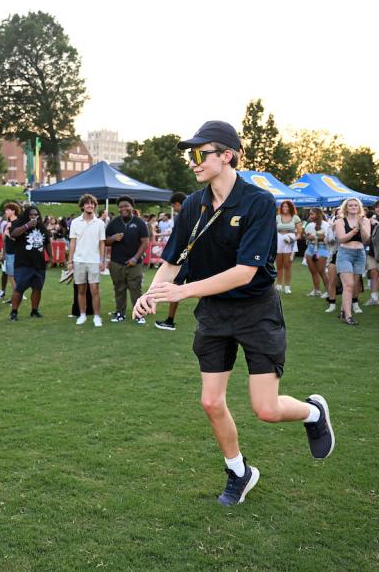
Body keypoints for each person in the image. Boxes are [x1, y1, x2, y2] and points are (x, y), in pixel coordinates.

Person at [133, 120, 334, 506]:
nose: (192, 162)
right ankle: (239, 471)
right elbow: (173, 260)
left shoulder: (258, 202)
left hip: (256, 310)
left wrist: (182, 291)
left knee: (267, 409)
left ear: (226, 156)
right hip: (214, 313)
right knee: (210, 401)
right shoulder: (193, 203)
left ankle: (313, 412)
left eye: (199, 154)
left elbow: (245, 272)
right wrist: (153, 292)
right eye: (190, 155)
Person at [105, 195, 149, 324]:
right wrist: (112, 238)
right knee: (119, 288)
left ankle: (139, 314)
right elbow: (105, 241)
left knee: (135, 288)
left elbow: (145, 242)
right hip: (116, 262)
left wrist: (135, 258)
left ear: (132, 207)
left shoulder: (139, 222)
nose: (123, 208)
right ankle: (120, 313)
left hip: (134, 263)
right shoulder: (114, 222)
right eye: (121, 206)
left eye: (126, 206)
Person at [67, 194, 107, 327]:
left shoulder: (100, 223)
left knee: (95, 290)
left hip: (94, 261)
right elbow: (72, 242)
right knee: (81, 290)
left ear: (95, 206)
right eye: (87, 203)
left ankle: (97, 316)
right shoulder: (75, 222)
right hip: (79, 260)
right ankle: (82, 315)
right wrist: (70, 261)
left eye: (92, 204)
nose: (90, 206)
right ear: (83, 206)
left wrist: (102, 260)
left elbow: (102, 243)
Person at [8, 206, 52, 320]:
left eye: (36, 215)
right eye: (31, 215)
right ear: (27, 215)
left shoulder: (41, 227)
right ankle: (14, 311)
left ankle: (34, 310)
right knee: (20, 288)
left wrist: (51, 257)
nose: (34, 217)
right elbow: (13, 234)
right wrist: (27, 225)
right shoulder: (19, 223)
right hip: (23, 263)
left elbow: (47, 242)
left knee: (38, 288)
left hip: (39, 263)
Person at [155, 192, 189, 331]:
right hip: (196, 257)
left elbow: (179, 239)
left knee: (176, 286)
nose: (174, 209)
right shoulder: (198, 212)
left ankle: (170, 320)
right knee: (201, 287)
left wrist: (171, 257)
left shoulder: (183, 215)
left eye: (174, 206)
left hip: (185, 258)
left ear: (177, 204)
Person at [334, 198, 370, 325]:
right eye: (351, 205)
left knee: (353, 286)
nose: (354, 207)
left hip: (360, 254)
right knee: (348, 285)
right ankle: (348, 316)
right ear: (346, 208)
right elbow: (342, 239)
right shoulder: (340, 221)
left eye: (356, 205)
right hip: (345, 254)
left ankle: (343, 310)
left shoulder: (365, 220)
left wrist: (361, 226)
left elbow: (366, 239)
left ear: (359, 207)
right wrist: (355, 230)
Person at [275, 200, 302, 294]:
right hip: (278, 241)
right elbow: (273, 231)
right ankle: (278, 286)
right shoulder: (277, 217)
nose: (285, 208)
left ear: (291, 207)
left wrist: (292, 239)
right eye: (283, 206)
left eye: (287, 206)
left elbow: (299, 234)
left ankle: (287, 287)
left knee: (287, 265)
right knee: (279, 265)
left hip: (289, 242)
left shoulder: (295, 217)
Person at [303, 208, 330, 298]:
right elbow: (306, 236)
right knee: (313, 271)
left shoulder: (326, 225)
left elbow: (327, 238)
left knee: (321, 270)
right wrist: (308, 237)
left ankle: (329, 291)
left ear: (318, 215)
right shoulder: (309, 225)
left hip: (321, 249)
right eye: (310, 214)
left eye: (312, 214)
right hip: (310, 249)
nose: (310, 216)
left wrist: (314, 237)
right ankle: (317, 290)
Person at [0, 202, 20, 300]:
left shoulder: (18, 223)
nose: (5, 212)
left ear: (13, 211)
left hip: (15, 253)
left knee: (12, 276)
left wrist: (8, 233)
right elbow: (4, 240)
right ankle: (14, 297)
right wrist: (3, 253)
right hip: (9, 253)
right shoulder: (8, 223)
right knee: (11, 276)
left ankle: (16, 297)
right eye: (5, 210)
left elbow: (18, 238)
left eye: (8, 210)